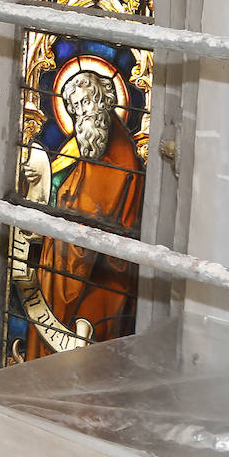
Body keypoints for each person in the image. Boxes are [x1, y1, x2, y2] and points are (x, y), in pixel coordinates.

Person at [24, 69, 143, 360]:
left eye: (85, 103)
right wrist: (38, 178)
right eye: (74, 107)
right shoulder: (77, 145)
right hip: (60, 262)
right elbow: (58, 189)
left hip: (98, 269)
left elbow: (96, 214)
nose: (80, 113)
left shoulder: (121, 155)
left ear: (102, 101)